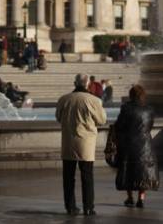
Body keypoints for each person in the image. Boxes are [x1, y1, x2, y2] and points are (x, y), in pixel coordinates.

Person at [56, 73, 107, 216]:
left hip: (68, 142)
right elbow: (102, 120)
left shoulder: (64, 99)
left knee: (68, 177)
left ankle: (70, 207)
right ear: (87, 84)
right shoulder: (94, 100)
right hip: (86, 143)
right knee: (87, 176)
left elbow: (58, 117)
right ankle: (88, 207)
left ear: (74, 83)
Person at [114, 85, 159, 208]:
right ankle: (141, 198)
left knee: (127, 169)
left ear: (131, 95)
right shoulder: (149, 109)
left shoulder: (126, 108)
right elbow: (150, 126)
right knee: (143, 171)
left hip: (129, 143)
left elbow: (119, 125)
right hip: (145, 145)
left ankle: (130, 198)